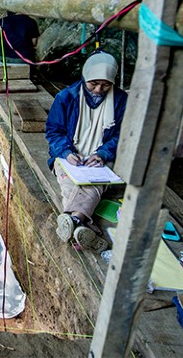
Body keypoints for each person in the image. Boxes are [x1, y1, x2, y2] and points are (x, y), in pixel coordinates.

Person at [45, 51, 128, 252]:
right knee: (68, 180)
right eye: (93, 83)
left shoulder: (121, 100)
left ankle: (74, 221)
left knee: (95, 183)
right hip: (69, 156)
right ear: (84, 76)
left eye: (106, 84)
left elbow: (122, 135)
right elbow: (53, 131)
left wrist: (102, 154)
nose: (99, 89)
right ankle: (82, 225)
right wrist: (65, 152)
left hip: (99, 157)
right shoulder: (66, 97)